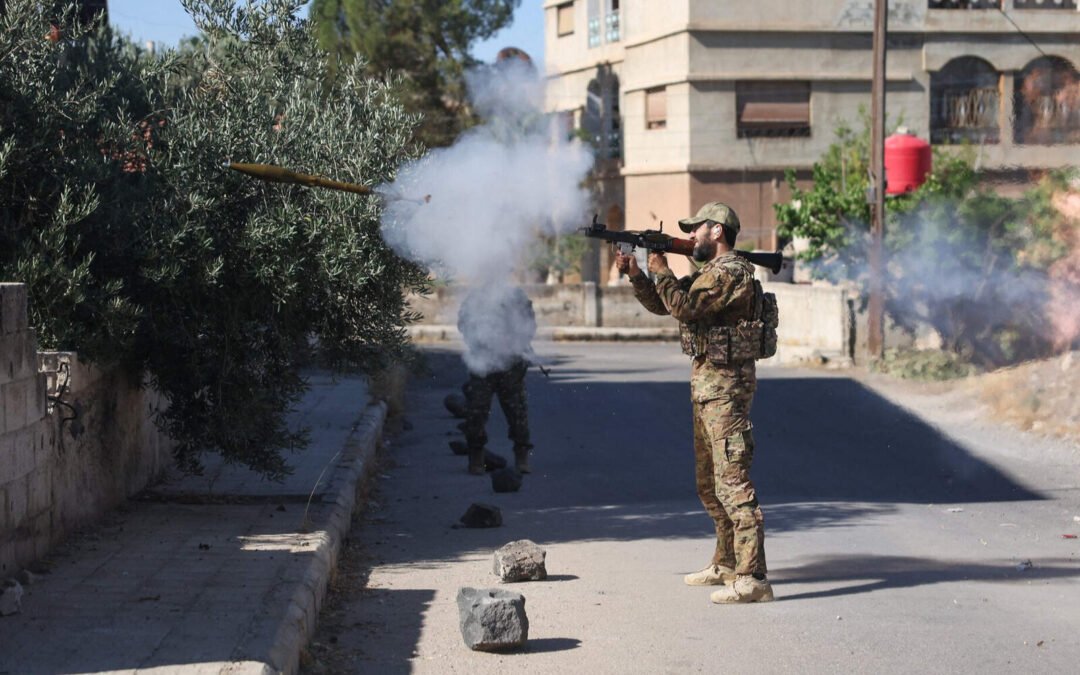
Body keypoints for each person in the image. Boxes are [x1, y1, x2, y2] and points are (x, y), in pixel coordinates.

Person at [616, 201, 773, 604]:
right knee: (709, 484)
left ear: (717, 231)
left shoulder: (729, 273)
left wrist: (661, 265)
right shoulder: (709, 274)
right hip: (707, 389)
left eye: (696, 229)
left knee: (733, 482)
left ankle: (753, 577)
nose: (690, 236)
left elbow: (684, 307)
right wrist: (638, 274)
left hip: (727, 390)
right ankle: (726, 562)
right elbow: (667, 305)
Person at [456, 285, 536, 476]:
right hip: (483, 363)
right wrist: (477, 341)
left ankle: (522, 456)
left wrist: (516, 342)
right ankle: (476, 457)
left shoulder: (516, 297)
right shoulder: (476, 297)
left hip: (511, 363)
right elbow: (463, 323)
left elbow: (529, 325)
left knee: (517, 413)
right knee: (477, 411)